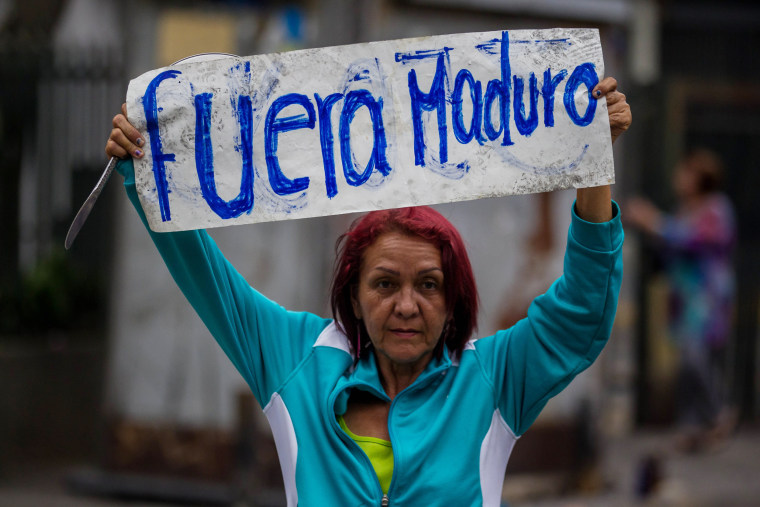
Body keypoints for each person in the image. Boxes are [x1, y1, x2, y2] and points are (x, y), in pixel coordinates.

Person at [106, 77, 630, 506]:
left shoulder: (493, 379)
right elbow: (206, 277)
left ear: (454, 303)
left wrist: (595, 159)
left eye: (429, 285)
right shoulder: (297, 360)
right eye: (384, 284)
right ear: (352, 297)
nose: (406, 305)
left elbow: (582, 312)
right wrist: (146, 172)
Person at [627, 149, 736, 451]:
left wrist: (654, 222)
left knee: (695, 357)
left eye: (685, 173)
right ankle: (692, 428)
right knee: (687, 363)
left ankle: (718, 411)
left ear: (699, 178)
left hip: (706, 297)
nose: (679, 179)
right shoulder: (684, 209)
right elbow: (671, 247)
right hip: (684, 297)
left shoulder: (716, 209)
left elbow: (691, 239)